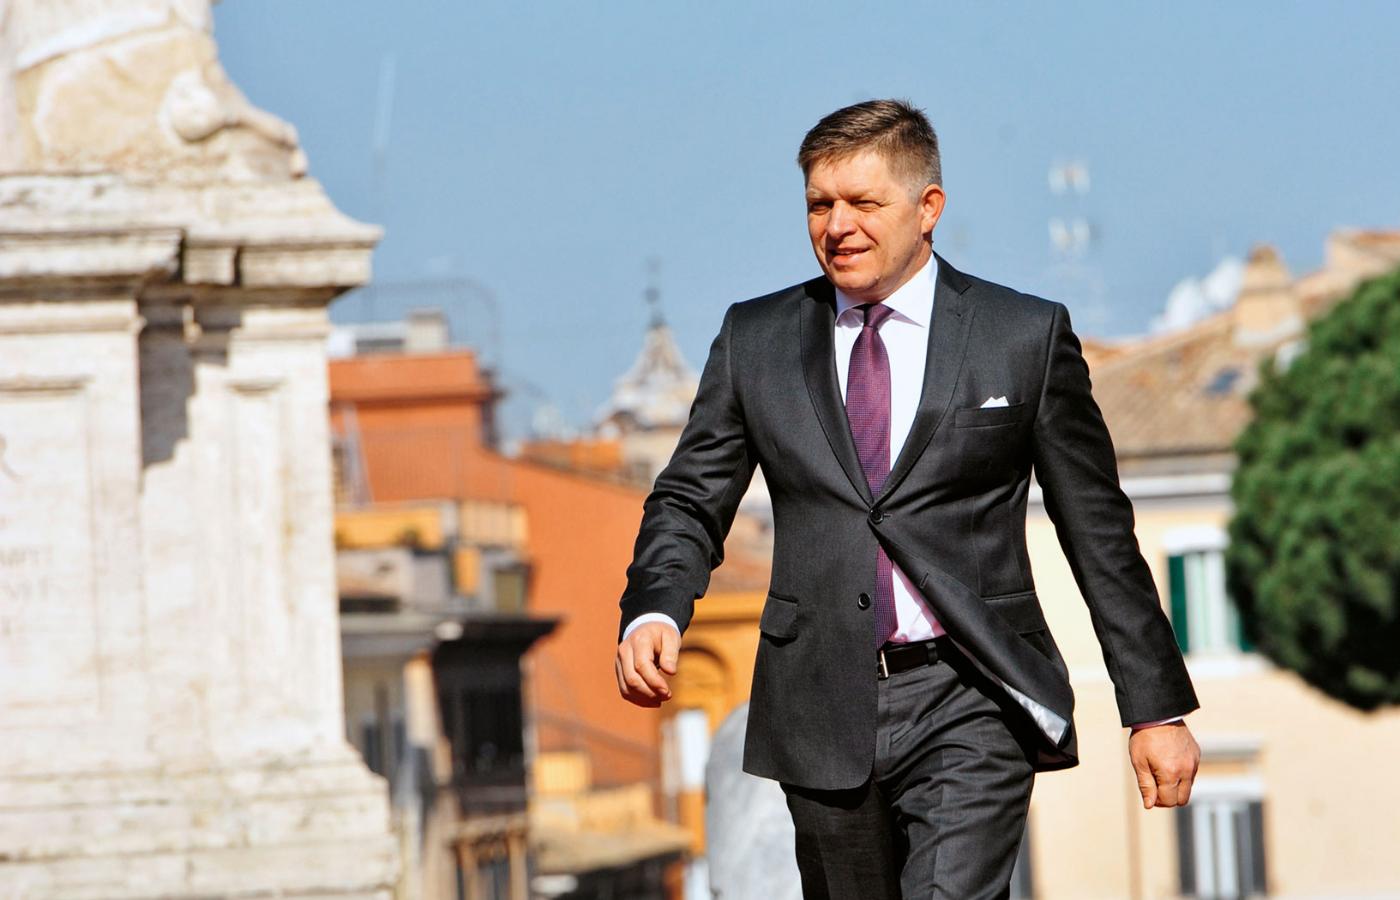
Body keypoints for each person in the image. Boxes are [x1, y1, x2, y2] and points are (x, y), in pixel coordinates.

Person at [613, 98, 1201, 899]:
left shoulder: (1021, 337)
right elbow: (690, 495)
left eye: (863, 202)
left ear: (929, 208)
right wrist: (655, 607)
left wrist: (1155, 708)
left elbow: (1097, 528)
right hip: (818, 700)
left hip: (972, 693)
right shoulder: (757, 340)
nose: (837, 225)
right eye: (819, 204)